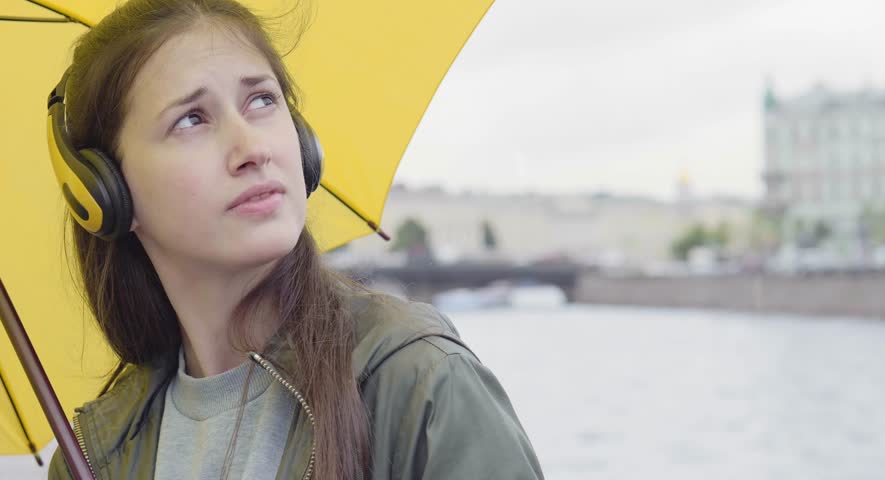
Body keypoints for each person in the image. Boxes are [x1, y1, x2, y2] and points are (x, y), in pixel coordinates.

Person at [46, 0, 543, 478]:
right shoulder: (92, 457)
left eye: (262, 100)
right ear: (103, 191)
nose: (252, 148)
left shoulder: (420, 381)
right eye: (192, 119)